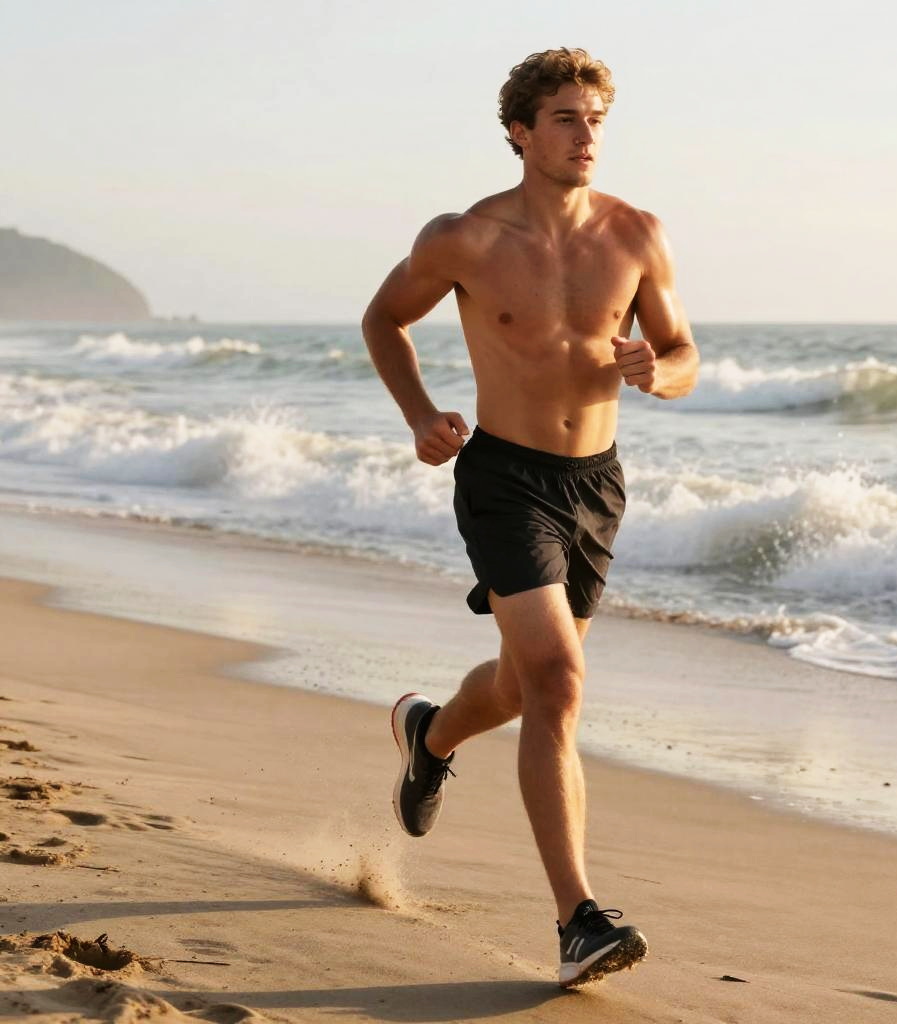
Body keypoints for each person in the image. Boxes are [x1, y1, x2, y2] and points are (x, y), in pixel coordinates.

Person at [362, 47, 698, 988]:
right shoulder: (464, 237)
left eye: (596, 120)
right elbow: (383, 319)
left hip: (596, 483)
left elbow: (683, 351)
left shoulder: (636, 234)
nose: (586, 135)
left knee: (521, 688)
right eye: (565, 119)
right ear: (520, 130)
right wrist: (422, 417)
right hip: (504, 477)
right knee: (558, 678)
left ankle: (429, 735)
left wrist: (658, 373)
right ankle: (577, 918)